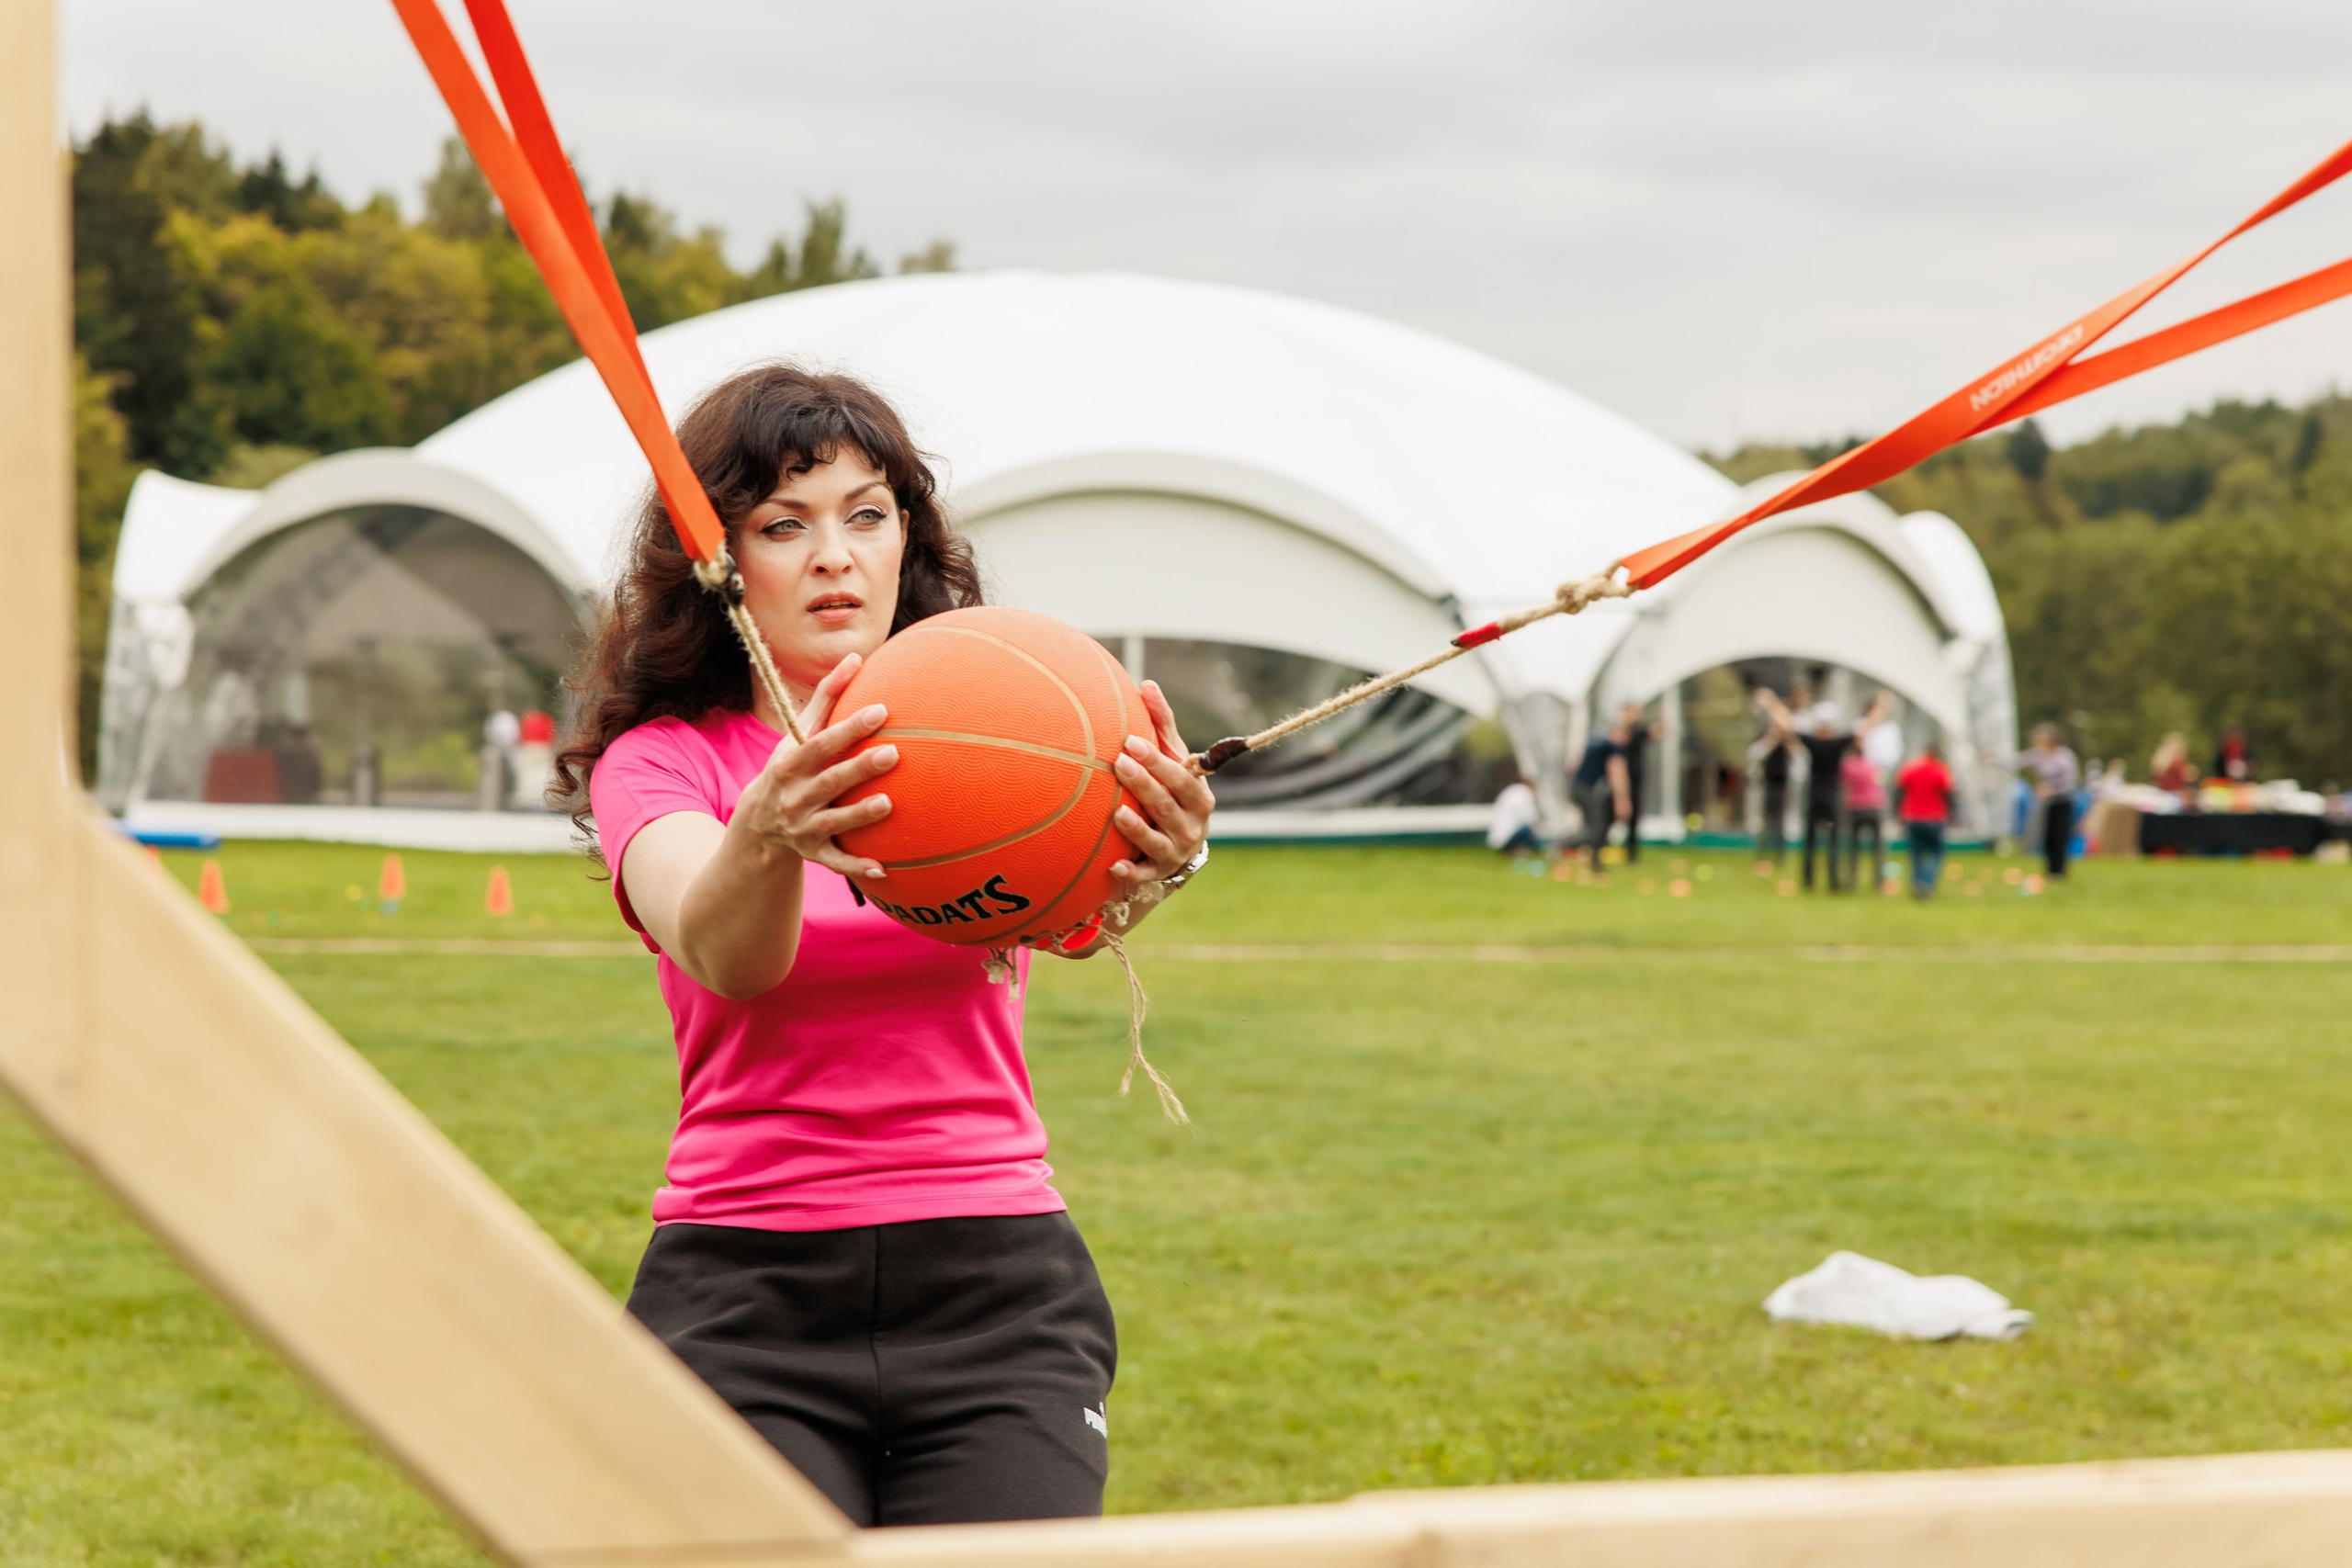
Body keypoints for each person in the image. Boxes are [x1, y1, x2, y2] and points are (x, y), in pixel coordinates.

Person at [552, 366, 1216, 1528]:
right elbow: (725, 954)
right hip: (743, 1292)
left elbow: (1068, 922)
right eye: (783, 525)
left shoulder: (991, 728)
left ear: (906, 536)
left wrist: (1157, 860)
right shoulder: (660, 761)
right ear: (716, 560)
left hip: (996, 1282)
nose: (834, 557)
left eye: (867, 515)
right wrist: (765, 830)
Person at [1757, 688, 1850, 891]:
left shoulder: (1813, 742)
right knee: (1833, 842)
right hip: (1831, 799)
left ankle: (1809, 882)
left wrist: (1772, 702)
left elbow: (1787, 726)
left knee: (1810, 842)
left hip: (1814, 798)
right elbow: (1865, 728)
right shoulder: (1838, 743)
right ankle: (1833, 882)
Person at [2000, 723, 2081, 877]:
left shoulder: (2064, 755)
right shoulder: (2038, 754)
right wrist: (1994, 758)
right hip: (2048, 802)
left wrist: (2052, 790)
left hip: (2064, 801)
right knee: (2048, 837)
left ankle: (2059, 872)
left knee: (2060, 837)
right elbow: (2016, 762)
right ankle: (2050, 871)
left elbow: (2070, 781)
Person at [1572, 716, 1633, 870]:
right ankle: (1566, 846)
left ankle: (1592, 860)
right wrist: (1622, 801)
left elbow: (1574, 765)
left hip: (1577, 787)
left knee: (1592, 825)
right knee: (1597, 826)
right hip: (1587, 789)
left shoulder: (1596, 741)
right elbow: (1617, 773)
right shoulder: (1612, 747)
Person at [1896, 740, 1954, 898]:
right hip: (1934, 818)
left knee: (1916, 854)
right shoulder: (1941, 770)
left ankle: (1917, 883)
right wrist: (1952, 815)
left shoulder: (1911, 768)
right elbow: (1949, 795)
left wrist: (1899, 814)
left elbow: (1900, 792)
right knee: (1936, 852)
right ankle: (1926, 882)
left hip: (1912, 817)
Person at [1749, 689, 1795, 868]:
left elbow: (1796, 756)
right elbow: (1756, 754)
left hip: (1782, 783)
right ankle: (1763, 854)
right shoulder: (1766, 738)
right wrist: (1772, 739)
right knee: (1767, 820)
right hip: (1768, 782)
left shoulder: (1787, 741)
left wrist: (1771, 703)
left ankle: (1778, 855)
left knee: (1779, 821)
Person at [1839, 738, 1887, 892]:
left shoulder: (1847, 766)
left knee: (1854, 846)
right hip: (1874, 806)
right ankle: (1879, 882)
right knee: (1877, 847)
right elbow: (1879, 784)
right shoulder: (1872, 765)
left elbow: (1845, 788)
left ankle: (1852, 881)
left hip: (1855, 807)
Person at [1487, 769, 1541, 859]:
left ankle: (1515, 849)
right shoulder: (1524, 793)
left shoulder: (1511, 790)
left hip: (1497, 837)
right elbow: (1529, 818)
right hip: (1508, 836)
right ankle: (1515, 849)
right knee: (1528, 829)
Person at [2151, 731, 2195, 795]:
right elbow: (2185, 778)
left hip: (2161, 793)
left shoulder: (2160, 760)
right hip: (2175, 794)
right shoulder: (2177, 762)